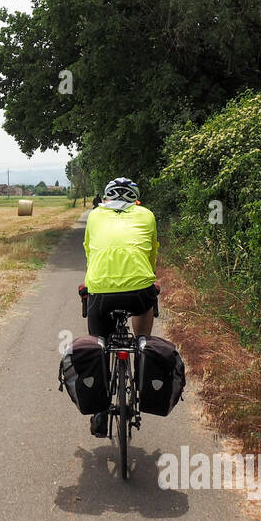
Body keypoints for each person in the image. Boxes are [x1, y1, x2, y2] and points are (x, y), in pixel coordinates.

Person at [82, 177, 159, 436]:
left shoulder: (94, 216)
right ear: (136, 199)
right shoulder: (146, 215)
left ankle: (101, 411)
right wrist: (149, 277)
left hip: (101, 293)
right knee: (146, 307)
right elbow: (151, 254)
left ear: (106, 199)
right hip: (138, 293)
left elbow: (90, 252)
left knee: (99, 342)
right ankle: (142, 355)